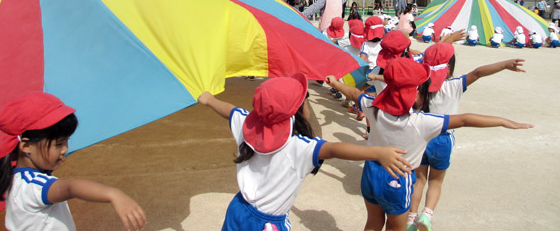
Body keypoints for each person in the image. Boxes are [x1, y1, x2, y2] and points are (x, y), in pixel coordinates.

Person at [325, 58, 532, 231]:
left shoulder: (372, 107)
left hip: (371, 172)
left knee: (372, 223)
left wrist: (334, 83)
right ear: (414, 93)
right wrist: (506, 122)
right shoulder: (422, 123)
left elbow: (353, 93)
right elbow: (465, 119)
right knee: (395, 228)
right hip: (398, 177)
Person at [197, 74, 412, 231]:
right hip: (268, 224)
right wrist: (378, 153)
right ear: (299, 112)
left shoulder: (247, 125)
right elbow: (335, 150)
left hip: (237, 210)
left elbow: (230, 110)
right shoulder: (298, 147)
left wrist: (208, 100)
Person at [407, 44, 527, 231]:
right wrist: (504, 64)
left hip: (422, 137)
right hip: (443, 139)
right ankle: (426, 215)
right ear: (449, 67)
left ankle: (411, 218)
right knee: (436, 181)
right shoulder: (454, 85)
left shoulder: (418, 86)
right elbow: (478, 72)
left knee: (419, 179)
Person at [0, 92, 147, 231]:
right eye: (58, 144)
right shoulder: (33, 184)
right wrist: (114, 194)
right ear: (26, 146)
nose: (64, 149)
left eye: (66, 141)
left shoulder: (17, 177)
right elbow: (71, 187)